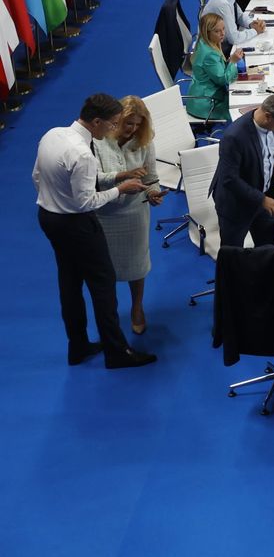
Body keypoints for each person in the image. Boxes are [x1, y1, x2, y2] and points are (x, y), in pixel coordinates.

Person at [33, 93, 158, 369]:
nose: (114, 129)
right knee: (104, 288)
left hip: (49, 218)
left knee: (69, 283)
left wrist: (118, 175)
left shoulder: (53, 134)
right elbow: (87, 201)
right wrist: (120, 189)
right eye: (113, 124)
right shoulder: (84, 154)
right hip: (78, 224)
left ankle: (77, 346)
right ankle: (117, 352)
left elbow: (37, 177)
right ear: (97, 121)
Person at [92, 95, 165, 336]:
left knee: (137, 266)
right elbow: (94, 180)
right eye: (128, 124)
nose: (133, 129)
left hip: (135, 212)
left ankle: (137, 308)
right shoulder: (98, 140)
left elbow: (151, 177)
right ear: (116, 122)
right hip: (104, 213)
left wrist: (154, 194)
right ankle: (109, 312)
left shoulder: (144, 141)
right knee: (104, 269)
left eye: (137, 124)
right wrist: (123, 177)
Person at [210, 93, 274, 250]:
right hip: (236, 205)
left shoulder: (273, 126)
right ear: (268, 116)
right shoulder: (234, 136)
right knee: (233, 256)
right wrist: (261, 199)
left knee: (267, 251)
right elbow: (229, 179)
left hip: (264, 201)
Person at [186, 12, 245, 121]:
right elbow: (224, 80)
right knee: (242, 112)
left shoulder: (205, 42)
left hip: (201, 96)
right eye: (217, 31)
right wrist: (232, 61)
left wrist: (230, 62)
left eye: (223, 29)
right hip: (207, 103)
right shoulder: (209, 54)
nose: (222, 33)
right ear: (207, 33)